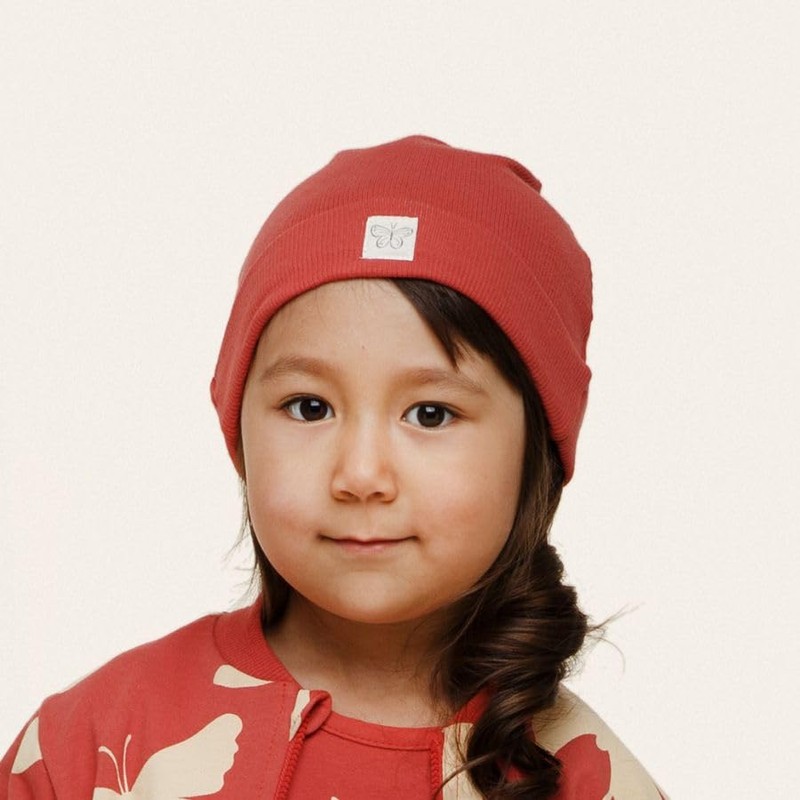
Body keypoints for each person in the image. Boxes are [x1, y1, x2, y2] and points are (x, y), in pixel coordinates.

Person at [1, 135, 667, 799]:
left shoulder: (589, 782)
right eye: (310, 407)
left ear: (536, 450)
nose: (361, 475)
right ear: (239, 427)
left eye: (430, 414)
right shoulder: (89, 746)